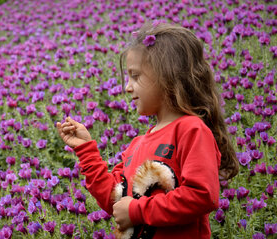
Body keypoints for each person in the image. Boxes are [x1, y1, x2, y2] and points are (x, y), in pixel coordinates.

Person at [56, 21, 239, 239]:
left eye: (135, 76)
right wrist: (86, 150)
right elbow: (116, 201)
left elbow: (201, 196)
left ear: (167, 75)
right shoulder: (137, 144)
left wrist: (137, 210)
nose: (127, 87)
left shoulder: (192, 130)